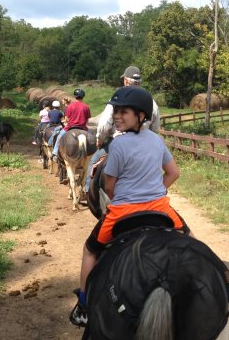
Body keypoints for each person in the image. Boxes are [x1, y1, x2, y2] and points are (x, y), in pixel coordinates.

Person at [70, 86, 189, 326]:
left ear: (141, 116)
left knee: (90, 251)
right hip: (160, 208)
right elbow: (174, 173)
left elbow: (110, 187)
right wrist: (157, 190)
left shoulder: (118, 146)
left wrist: (128, 197)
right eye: (116, 111)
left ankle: (83, 304)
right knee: (191, 241)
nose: (116, 116)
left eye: (124, 112)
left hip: (123, 211)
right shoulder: (156, 140)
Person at [84, 66, 160, 194]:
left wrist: (100, 140)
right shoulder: (152, 102)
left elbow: (104, 125)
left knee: (93, 162)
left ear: (125, 81)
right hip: (144, 144)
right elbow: (155, 129)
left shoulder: (118, 99)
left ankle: (88, 192)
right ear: (139, 82)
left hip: (117, 141)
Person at [51, 88, 91, 158]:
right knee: (92, 137)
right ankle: (93, 156)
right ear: (83, 97)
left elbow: (66, 119)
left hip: (70, 127)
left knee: (59, 137)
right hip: (83, 128)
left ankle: (55, 153)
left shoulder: (70, 106)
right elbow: (87, 119)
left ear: (75, 96)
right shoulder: (86, 107)